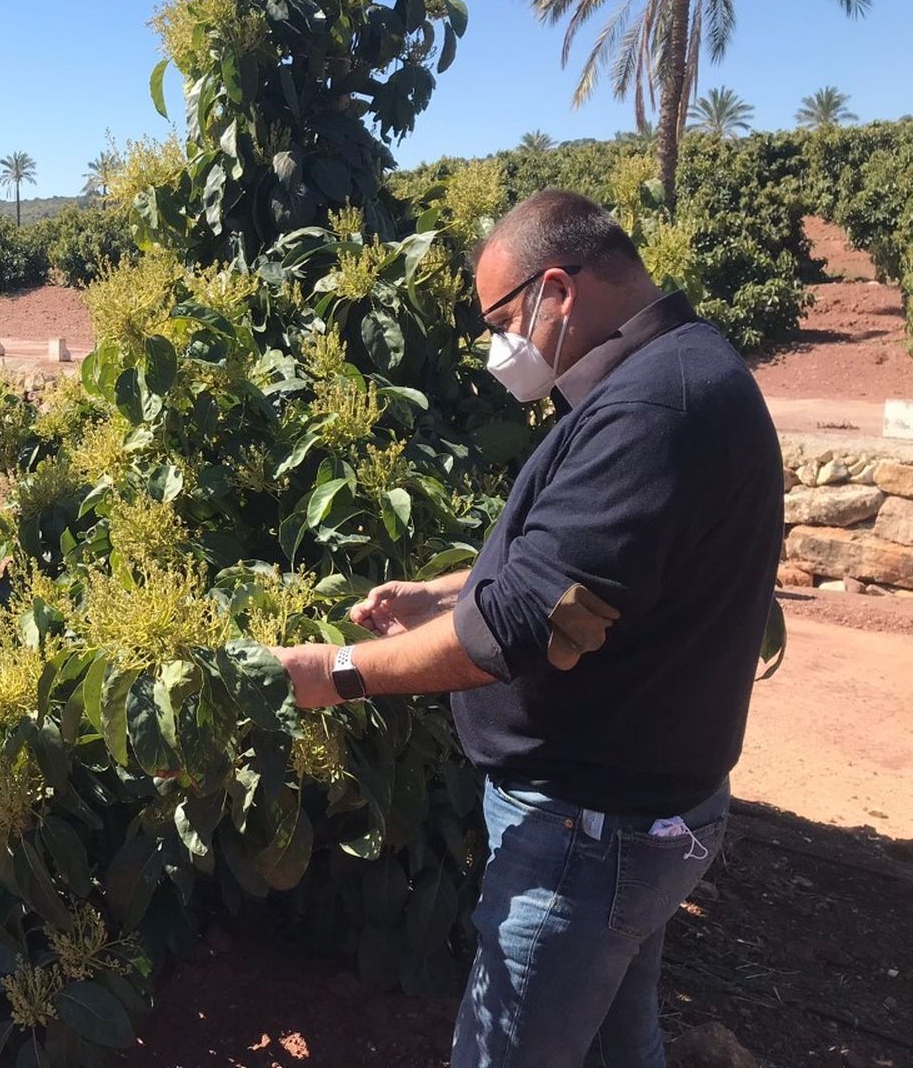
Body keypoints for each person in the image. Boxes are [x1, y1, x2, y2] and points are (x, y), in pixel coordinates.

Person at [270, 189, 783, 1068]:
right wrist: (445, 594)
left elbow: (516, 626)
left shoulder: (653, 411)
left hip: (591, 833)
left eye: (500, 322)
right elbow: (582, 574)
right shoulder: (674, 372)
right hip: (639, 816)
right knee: (621, 1049)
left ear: (558, 291)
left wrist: (335, 672)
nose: (497, 348)